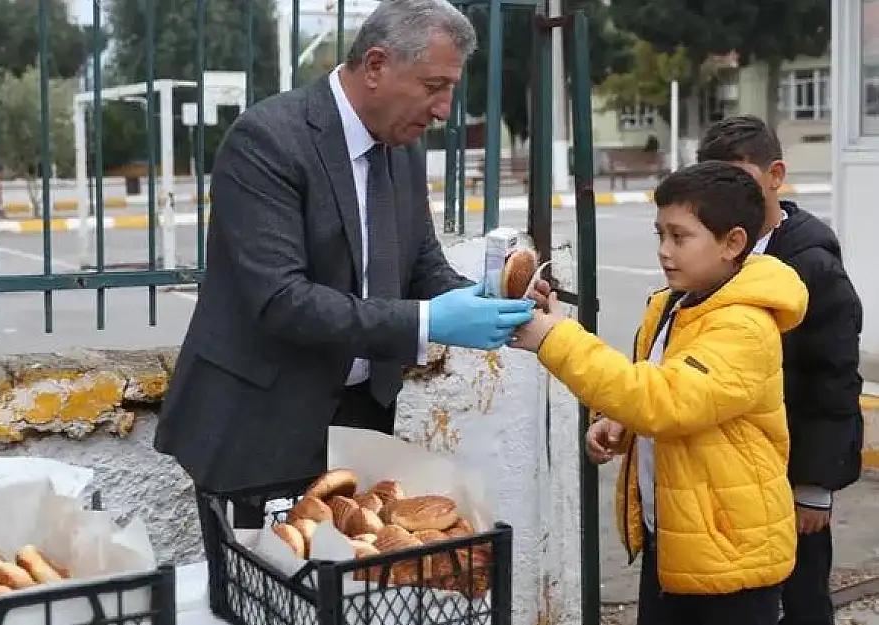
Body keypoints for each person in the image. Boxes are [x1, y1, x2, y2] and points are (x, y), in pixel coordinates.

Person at [153, 0, 535, 522]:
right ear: (376, 65)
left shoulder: (401, 146)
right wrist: (430, 321)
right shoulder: (267, 140)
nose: (445, 109)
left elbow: (422, 265)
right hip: (260, 426)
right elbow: (282, 301)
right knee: (266, 593)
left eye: (450, 88)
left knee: (350, 593)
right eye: (432, 87)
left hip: (360, 424)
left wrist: (491, 298)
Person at [513, 161, 808, 625]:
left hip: (731, 559)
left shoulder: (744, 326)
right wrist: (622, 423)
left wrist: (554, 338)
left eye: (680, 237)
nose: (664, 251)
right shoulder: (676, 305)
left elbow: (664, 401)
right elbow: (664, 393)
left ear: (733, 243)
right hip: (675, 538)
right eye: (660, 235)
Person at [694, 115, 865, 625]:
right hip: (735, 472)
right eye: (714, 180)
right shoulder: (717, 250)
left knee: (801, 595)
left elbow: (832, 380)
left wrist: (815, 485)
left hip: (792, 477)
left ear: (775, 174)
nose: (727, 194)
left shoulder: (811, 263)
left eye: (739, 177)